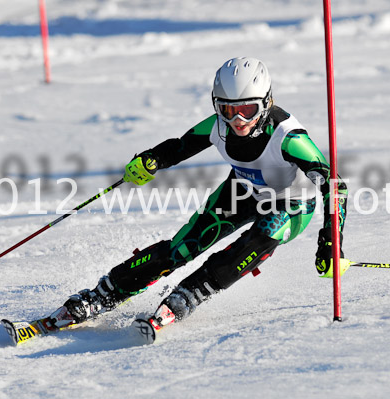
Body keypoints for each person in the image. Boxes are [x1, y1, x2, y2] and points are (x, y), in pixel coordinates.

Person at [49, 56, 348, 332]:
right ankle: (105, 293)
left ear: (267, 103)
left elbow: (335, 185)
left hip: (292, 205)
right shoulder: (218, 126)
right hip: (244, 190)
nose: (238, 121)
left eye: (248, 110)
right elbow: (179, 147)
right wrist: (150, 160)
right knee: (182, 248)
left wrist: (330, 239)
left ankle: (189, 295)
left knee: (257, 241)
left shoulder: (289, 138)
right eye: (229, 110)